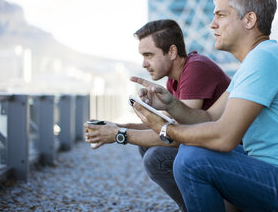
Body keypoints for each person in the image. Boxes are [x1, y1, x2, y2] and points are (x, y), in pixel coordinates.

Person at [131, 0, 278, 212]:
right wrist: (171, 104)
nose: (212, 24)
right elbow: (209, 117)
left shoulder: (265, 60)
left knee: (191, 160)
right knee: (178, 155)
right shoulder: (255, 62)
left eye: (221, 15)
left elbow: (225, 138)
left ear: (249, 20)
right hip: (276, 174)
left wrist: (165, 130)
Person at [85, 19, 231, 212]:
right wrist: (117, 126)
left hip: (232, 150)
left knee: (156, 157)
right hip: (211, 146)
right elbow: (166, 127)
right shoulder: (173, 79)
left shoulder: (196, 68)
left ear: (171, 52)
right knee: (147, 147)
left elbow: (179, 136)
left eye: (149, 55)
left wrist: (119, 135)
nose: (144, 64)